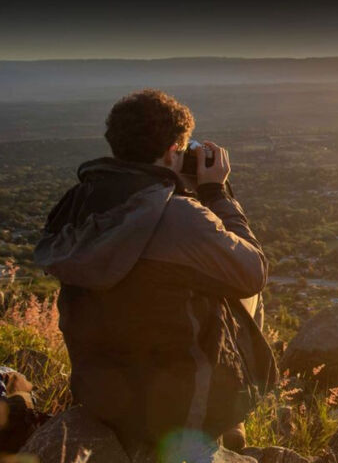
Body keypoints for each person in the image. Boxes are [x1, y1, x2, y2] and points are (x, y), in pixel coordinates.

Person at [33, 89, 276, 456]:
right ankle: (227, 424)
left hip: (100, 396)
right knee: (239, 280)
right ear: (172, 152)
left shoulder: (76, 205)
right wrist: (216, 194)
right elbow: (253, 271)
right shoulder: (178, 217)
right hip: (177, 410)